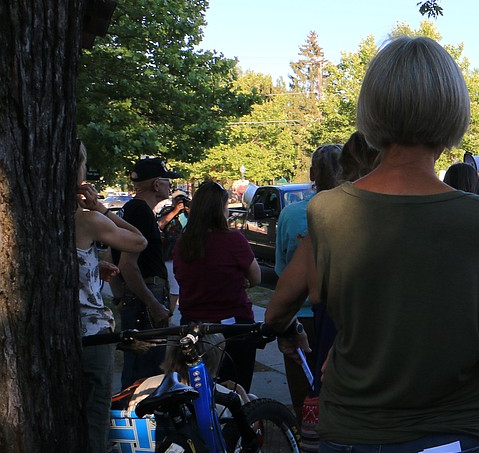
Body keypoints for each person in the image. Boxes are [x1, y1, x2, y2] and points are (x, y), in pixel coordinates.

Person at [263, 35, 479, 453]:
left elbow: (314, 304)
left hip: (350, 449)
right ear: (452, 113)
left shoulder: (326, 212)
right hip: (456, 448)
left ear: (373, 111)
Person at [75, 142, 147, 453]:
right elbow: (138, 241)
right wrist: (103, 210)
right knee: (95, 420)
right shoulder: (85, 218)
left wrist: (90, 268)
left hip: (52, 333)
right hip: (91, 335)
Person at [172, 181, 262, 390]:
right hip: (233, 327)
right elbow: (256, 277)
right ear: (220, 209)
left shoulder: (182, 244)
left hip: (193, 325)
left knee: (199, 389)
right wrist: (240, 279)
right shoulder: (233, 240)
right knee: (236, 390)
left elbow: (183, 276)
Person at [275, 142, 342, 416]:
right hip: (340, 316)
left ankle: (304, 447)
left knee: (304, 397)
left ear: (313, 173)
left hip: (297, 315)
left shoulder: (291, 214)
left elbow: (281, 267)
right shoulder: (357, 212)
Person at [114, 156, 181, 388]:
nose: (170, 185)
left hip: (137, 297)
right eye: (166, 180)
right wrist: (152, 303)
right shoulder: (140, 211)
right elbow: (126, 265)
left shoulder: (132, 209)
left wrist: (119, 294)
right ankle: (138, 421)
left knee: (142, 368)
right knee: (144, 374)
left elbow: (111, 259)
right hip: (145, 300)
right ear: (155, 185)